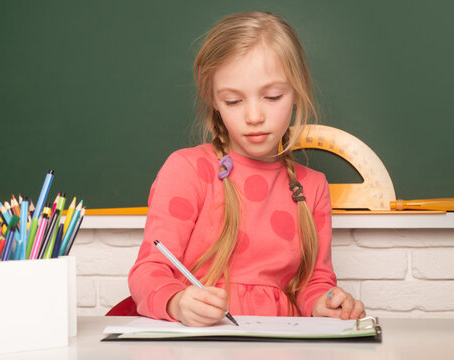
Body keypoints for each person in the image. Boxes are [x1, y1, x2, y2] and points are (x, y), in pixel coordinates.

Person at [128, 11, 365, 327]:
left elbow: (313, 283)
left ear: (296, 91)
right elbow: (149, 271)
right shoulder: (186, 170)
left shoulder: (312, 187)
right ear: (213, 99)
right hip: (201, 347)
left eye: (272, 96)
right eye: (233, 101)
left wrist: (325, 303)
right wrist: (177, 302)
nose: (254, 116)